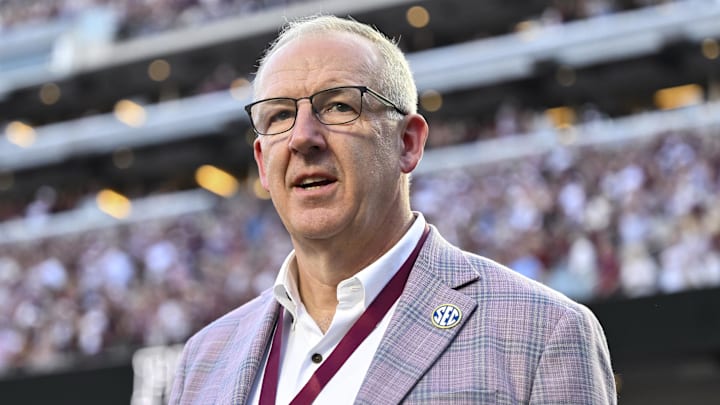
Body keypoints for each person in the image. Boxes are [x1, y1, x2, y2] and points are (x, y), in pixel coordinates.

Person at [169, 15, 616, 404]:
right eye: (280, 116)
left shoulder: (542, 333)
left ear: (408, 143)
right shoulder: (204, 359)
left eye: (339, 105)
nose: (303, 137)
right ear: (263, 163)